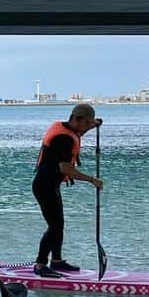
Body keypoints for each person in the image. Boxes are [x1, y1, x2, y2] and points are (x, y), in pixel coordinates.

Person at [32, 103, 104, 278]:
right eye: (87, 124)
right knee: (54, 226)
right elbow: (66, 169)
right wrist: (91, 180)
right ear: (77, 120)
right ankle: (40, 265)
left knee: (59, 225)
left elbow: (78, 132)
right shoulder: (63, 139)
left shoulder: (64, 126)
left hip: (50, 184)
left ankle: (56, 261)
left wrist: (93, 124)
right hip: (44, 186)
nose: (87, 128)